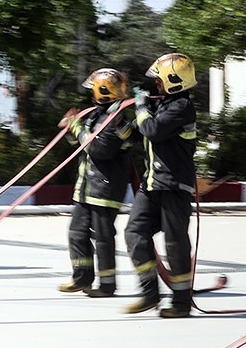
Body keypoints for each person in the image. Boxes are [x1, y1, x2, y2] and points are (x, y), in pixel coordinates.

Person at [124, 53, 198, 318]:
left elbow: (153, 130)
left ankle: (181, 303)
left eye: (159, 79)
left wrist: (142, 108)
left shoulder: (180, 107)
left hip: (174, 185)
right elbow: (135, 132)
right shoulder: (163, 105)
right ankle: (149, 293)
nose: (155, 84)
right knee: (134, 232)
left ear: (173, 81)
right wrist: (118, 116)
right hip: (153, 184)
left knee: (175, 244)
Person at [57, 68, 137, 297]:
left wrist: (78, 128)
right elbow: (79, 142)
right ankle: (81, 278)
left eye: (93, 90)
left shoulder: (117, 120)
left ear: (102, 91)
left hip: (105, 188)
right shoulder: (97, 114)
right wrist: (70, 128)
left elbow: (100, 149)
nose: (90, 95)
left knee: (103, 237)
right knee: (76, 233)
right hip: (86, 188)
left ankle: (107, 285)